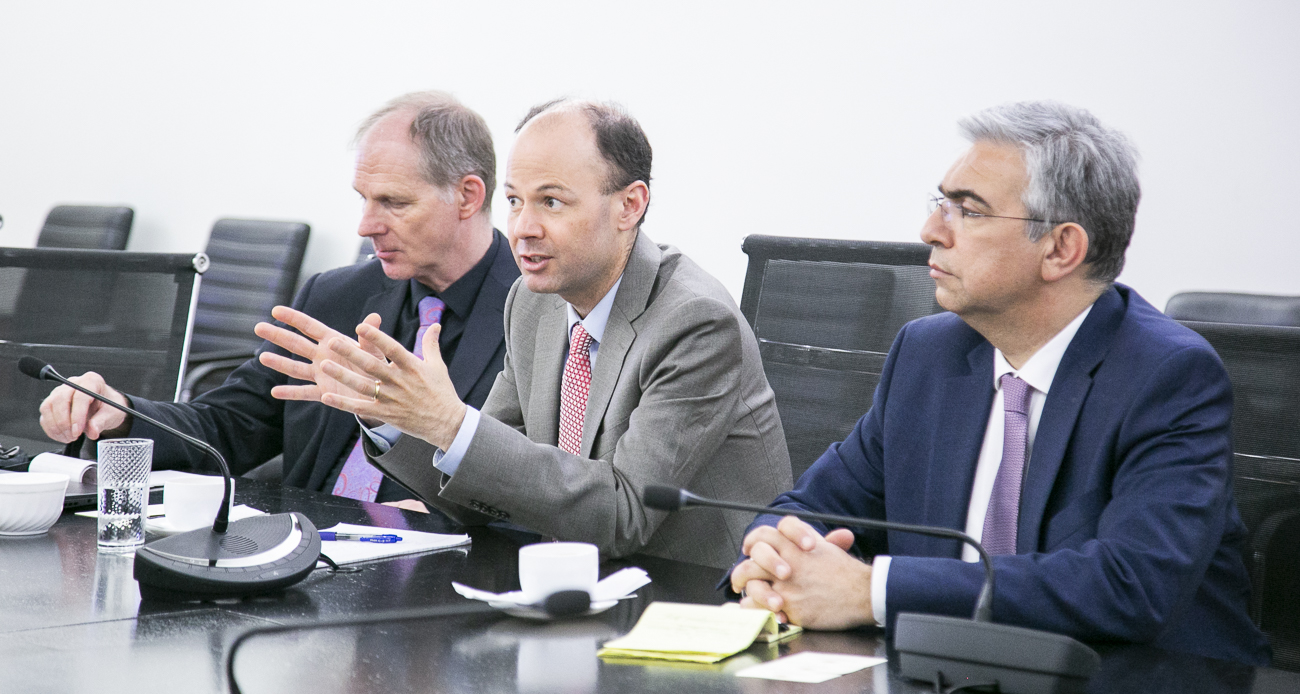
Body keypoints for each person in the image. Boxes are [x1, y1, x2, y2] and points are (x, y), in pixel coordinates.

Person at [728, 101, 1271, 665]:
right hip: (946, 671)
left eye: (969, 211)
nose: (930, 231)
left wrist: (871, 591)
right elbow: (812, 506)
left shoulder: (1168, 376)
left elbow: (1131, 584)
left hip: (1140, 677)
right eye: (941, 203)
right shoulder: (927, 354)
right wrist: (775, 562)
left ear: (1060, 249)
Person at [259, 99, 792, 568]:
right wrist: (393, 416)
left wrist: (450, 424)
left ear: (629, 206)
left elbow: (624, 515)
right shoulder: (533, 303)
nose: (523, 228)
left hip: (690, 600)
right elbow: (481, 485)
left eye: (551, 202)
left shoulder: (695, 322)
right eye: (515, 201)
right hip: (568, 584)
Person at [37, 91, 519, 508]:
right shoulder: (335, 297)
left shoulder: (538, 315)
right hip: (309, 550)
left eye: (393, 202)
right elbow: (228, 425)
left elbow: (535, 488)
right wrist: (122, 414)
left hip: (448, 568)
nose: (366, 226)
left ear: (467, 196)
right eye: (364, 199)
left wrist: (445, 518)